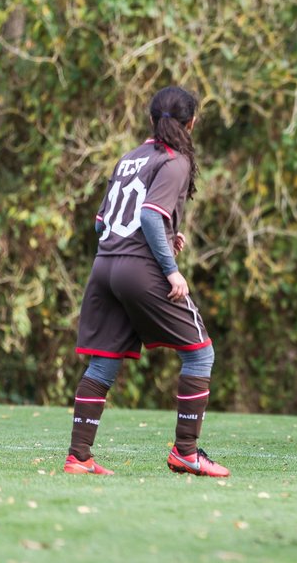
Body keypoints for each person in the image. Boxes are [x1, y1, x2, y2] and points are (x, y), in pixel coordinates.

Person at [65, 85, 230, 478]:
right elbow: (150, 217)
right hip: (137, 269)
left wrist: (166, 237)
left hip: (105, 265)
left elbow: (101, 222)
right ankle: (186, 452)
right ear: (191, 122)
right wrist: (171, 268)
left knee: (103, 364)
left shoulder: (130, 157)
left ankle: (79, 456)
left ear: (152, 120)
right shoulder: (174, 161)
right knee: (200, 352)